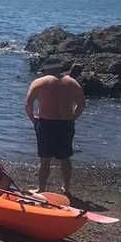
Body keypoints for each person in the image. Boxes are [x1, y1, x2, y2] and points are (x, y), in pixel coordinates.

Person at [25, 57, 85, 196]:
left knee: (45, 159)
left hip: (46, 123)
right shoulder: (72, 82)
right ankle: (67, 188)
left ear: (46, 69)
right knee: (65, 158)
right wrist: (73, 117)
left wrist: (34, 120)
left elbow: (28, 104)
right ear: (59, 68)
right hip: (66, 123)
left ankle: (41, 188)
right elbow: (81, 104)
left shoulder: (39, 82)